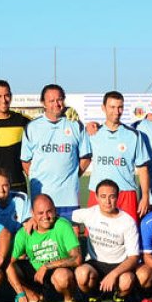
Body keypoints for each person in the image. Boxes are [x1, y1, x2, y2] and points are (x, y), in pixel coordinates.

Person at [5, 194, 83, 302]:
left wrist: (47, 266)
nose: (46, 217)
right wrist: (20, 293)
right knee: (7, 266)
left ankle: (69, 300)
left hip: (57, 272)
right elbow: (7, 262)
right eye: (40, 213)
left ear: (55, 210)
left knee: (63, 276)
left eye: (49, 212)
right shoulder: (24, 233)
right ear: (33, 214)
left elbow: (77, 258)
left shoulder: (63, 225)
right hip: (35, 276)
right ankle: (34, 298)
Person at [21, 84, 91, 222]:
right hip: (42, 197)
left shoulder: (75, 124)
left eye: (59, 99)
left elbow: (86, 157)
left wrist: (71, 177)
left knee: (71, 238)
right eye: (51, 101)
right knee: (44, 238)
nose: (56, 104)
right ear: (43, 103)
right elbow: (26, 161)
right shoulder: (32, 127)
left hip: (68, 197)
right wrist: (39, 176)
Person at [72, 179, 140, 302]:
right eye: (103, 196)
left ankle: (119, 299)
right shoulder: (89, 213)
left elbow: (133, 258)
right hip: (95, 263)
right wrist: (32, 219)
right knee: (81, 274)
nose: (107, 201)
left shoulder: (127, 221)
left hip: (120, 265)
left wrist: (113, 274)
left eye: (112, 196)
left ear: (118, 197)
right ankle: (94, 297)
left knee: (127, 281)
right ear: (96, 197)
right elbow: (63, 216)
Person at [86, 91, 152, 221]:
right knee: (95, 238)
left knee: (128, 238)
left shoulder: (134, 135)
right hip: (98, 193)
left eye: (120, 107)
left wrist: (145, 197)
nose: (116, 111)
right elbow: (84, 159)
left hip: (125, 193)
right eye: (112, 107)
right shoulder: (92, 133)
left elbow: (143, 169)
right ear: (103, 108)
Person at [0, 79, 31, 192]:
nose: (3, 100)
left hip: (17, 184)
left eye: (6, 95)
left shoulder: (23, 121)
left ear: (11, 96)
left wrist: (66, 113)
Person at [0, 167, 30, 235]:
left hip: (18, 242)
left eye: (5, 185)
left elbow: (28, 225)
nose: (1, 190)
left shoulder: (22, 199)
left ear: (10, 185)